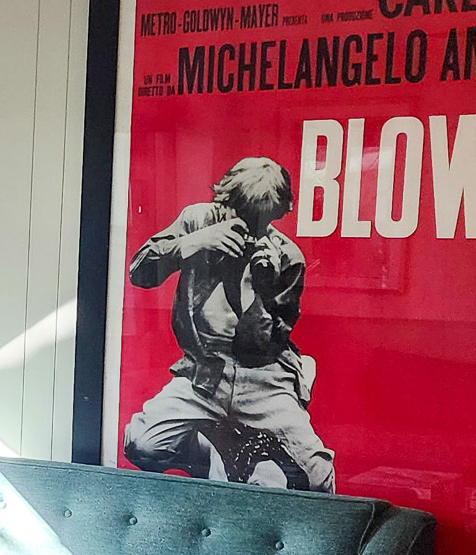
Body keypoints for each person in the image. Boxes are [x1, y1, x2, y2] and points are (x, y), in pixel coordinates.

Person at [122, 156, 334, 492]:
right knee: (143, 444)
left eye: (261, 222)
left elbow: (262, 346)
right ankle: (221, 445)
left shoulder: (287, 256)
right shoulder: (198, 220)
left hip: (263, 375)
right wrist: (193, 243)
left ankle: (289, 387)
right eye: (241, 216)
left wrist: (264, 289)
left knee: (318, 479)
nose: (249, 230)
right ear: (225, 201)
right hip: (205, 371)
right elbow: (140, 272)